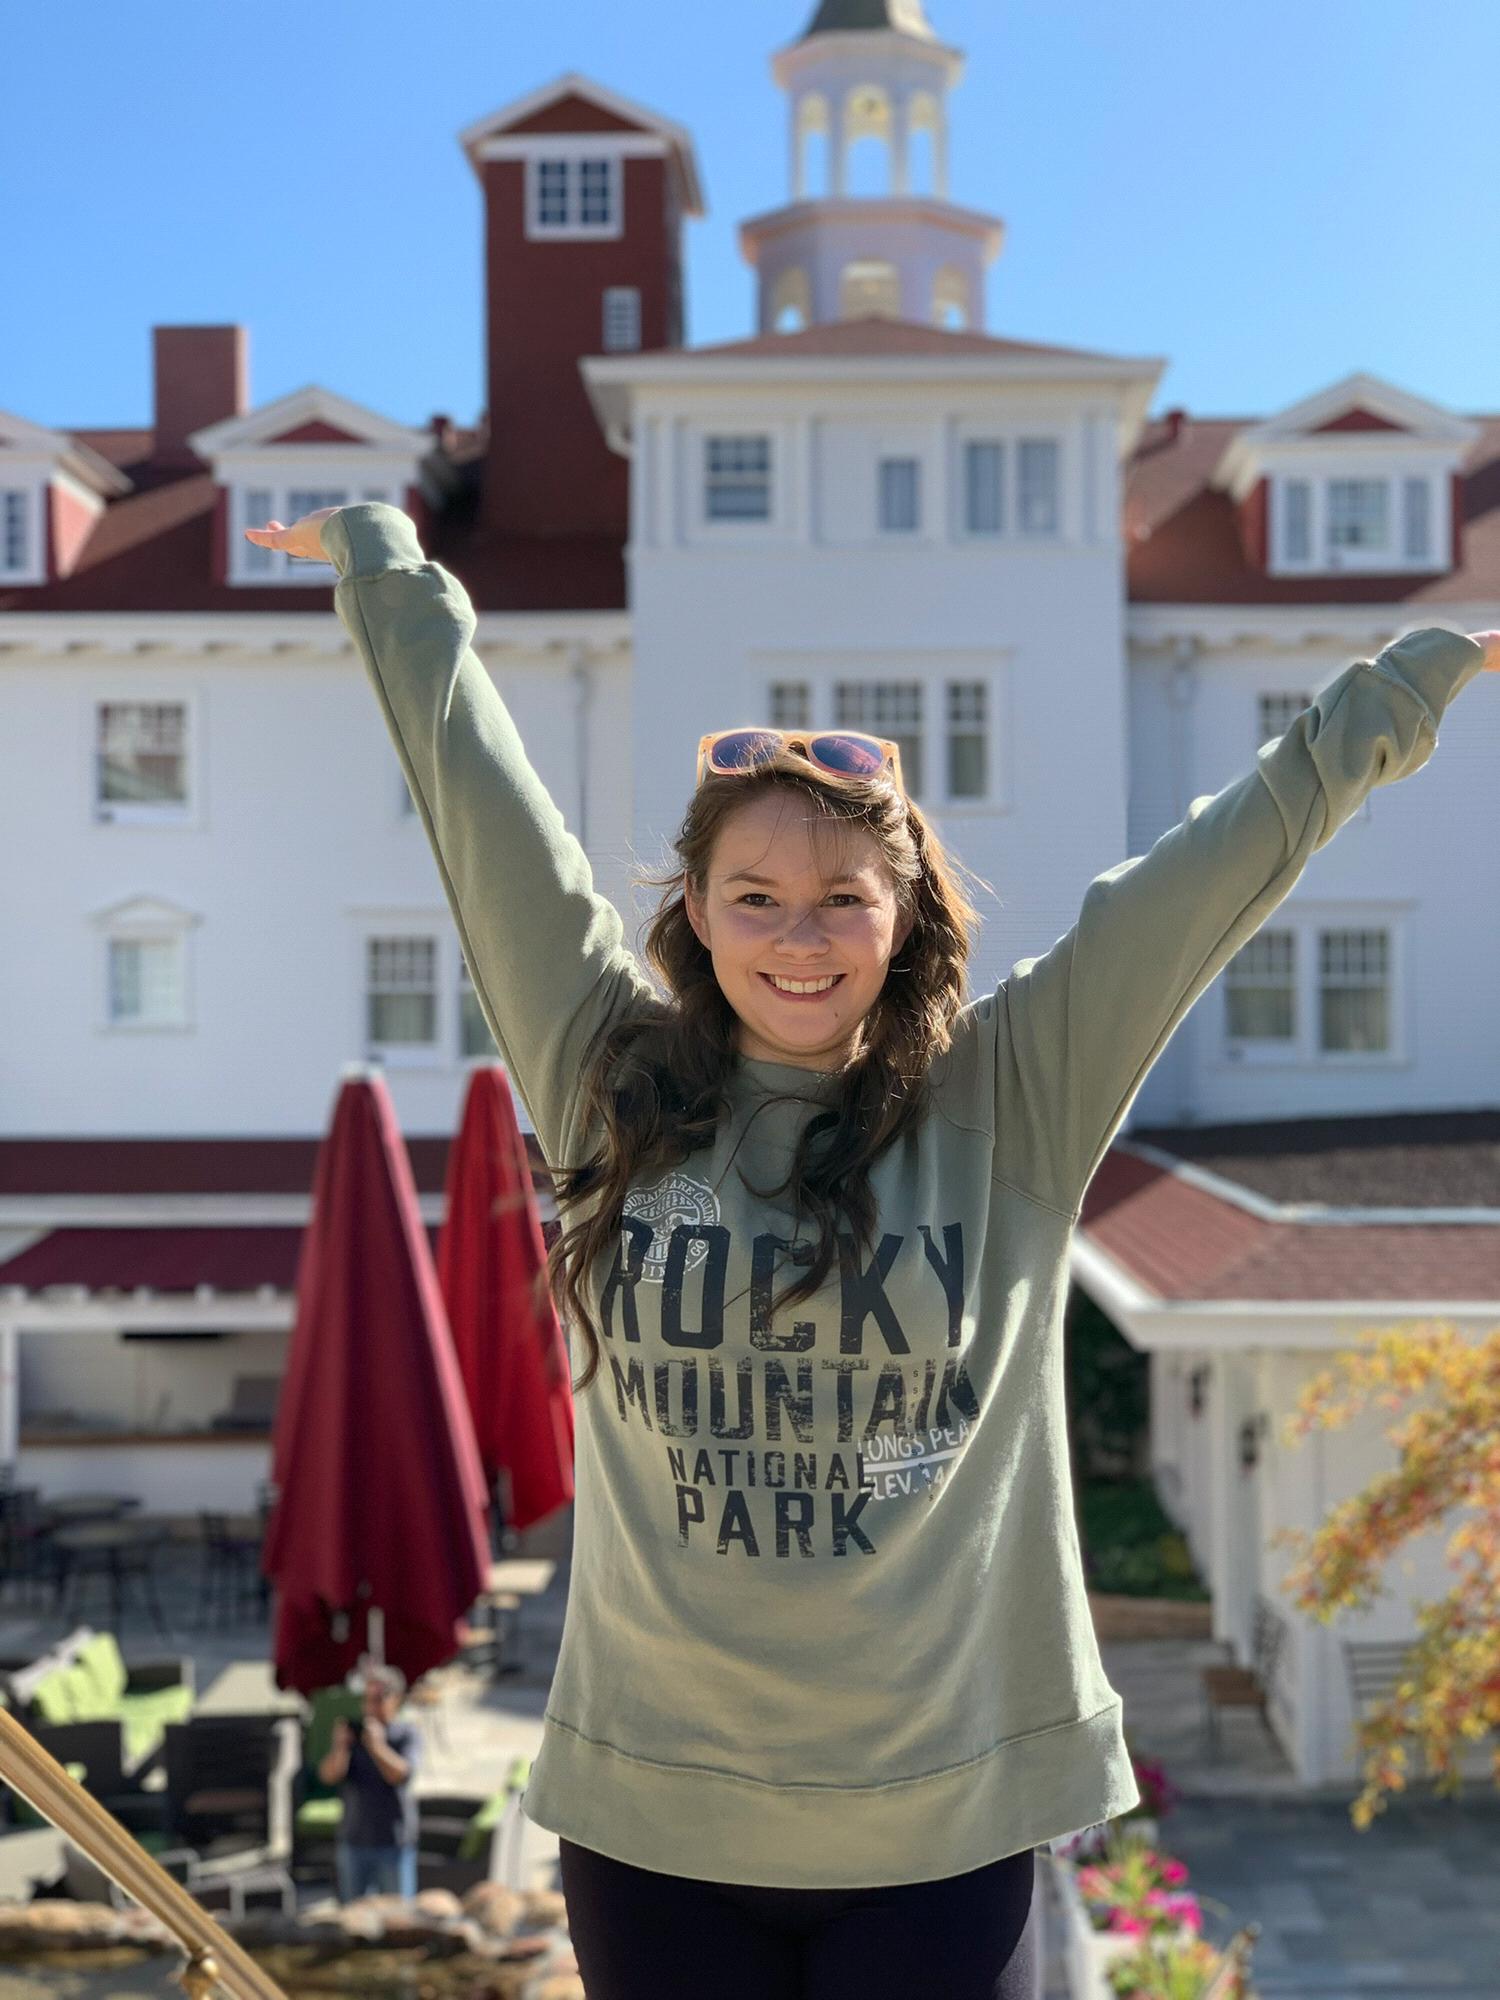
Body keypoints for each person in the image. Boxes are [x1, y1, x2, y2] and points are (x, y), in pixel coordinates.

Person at [248, 503, 1498, 1998]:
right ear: (696, 918)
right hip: (653, 1823)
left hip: (943, 1824)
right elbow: (482, 811)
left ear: (902, 920)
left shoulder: (1011, 1096)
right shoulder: (605, 1076)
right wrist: (388, 572)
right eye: (757, 897)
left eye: (846, 897)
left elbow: (1203, 883)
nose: (801, 936)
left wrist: (1406, 688)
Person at [317, 1662, 422, 1902]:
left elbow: (401, 1774)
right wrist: (340, 1748)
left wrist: (377, 1747)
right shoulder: (354, 1736)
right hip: (354, 1839)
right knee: (352, 1915)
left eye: (378, 1699)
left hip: (393, 1842)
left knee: (398, 1917)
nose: (371, 1707)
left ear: (395, 1699)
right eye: (367, 1699)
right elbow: (329, 1776)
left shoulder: (406, 1734)